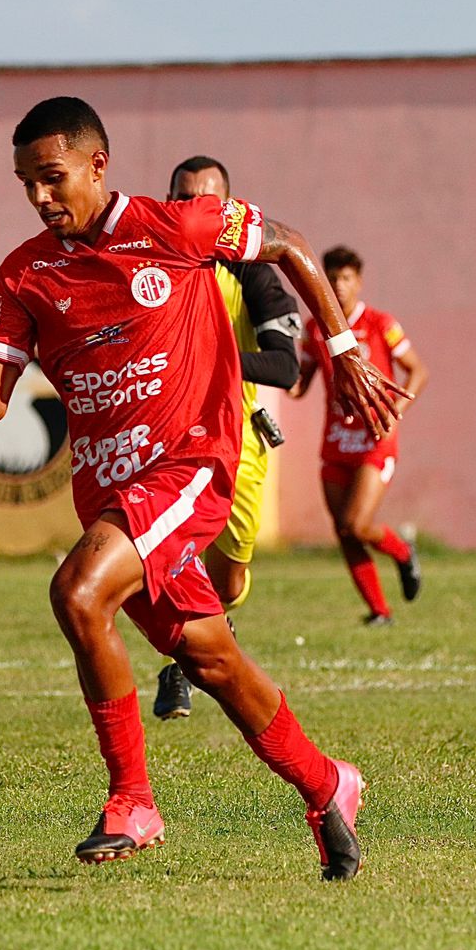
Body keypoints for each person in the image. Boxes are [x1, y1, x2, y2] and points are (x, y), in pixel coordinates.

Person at [0, 97, 408, 879]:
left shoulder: (175, 227)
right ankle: (327, 783)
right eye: (26, 184)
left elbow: (291, 246)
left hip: (188, 466)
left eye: (51, 177)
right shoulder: (26, 272)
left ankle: (133, 798)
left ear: (97, 165)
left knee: (78, 592)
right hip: (108, 490)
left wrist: (341, 347)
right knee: (213, 661)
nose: (39, 197)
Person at [152, 156, 302, 721]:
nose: (195, 211)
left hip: (237, 445)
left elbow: (286, 368)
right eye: (183, 199)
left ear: (231, 210)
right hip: (163, 443)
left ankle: (209, 632)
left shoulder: (253, 273)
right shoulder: (147, 271)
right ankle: (178, 663)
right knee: (158, 564)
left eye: (208, 201)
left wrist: (209, 361)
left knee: (229, 578)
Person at [291, 245, 429, 626]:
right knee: (344, 532)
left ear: (359, 281)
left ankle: (402, 552)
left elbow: (417, 371)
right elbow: (300, 381)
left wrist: (396, 411)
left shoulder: (380, 323)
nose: (338, 285)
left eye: (345, 278)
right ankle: (379, 611)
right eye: (332, 277)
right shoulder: (314, 327)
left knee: (357, 523)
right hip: (335, 441)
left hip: (374, 439)